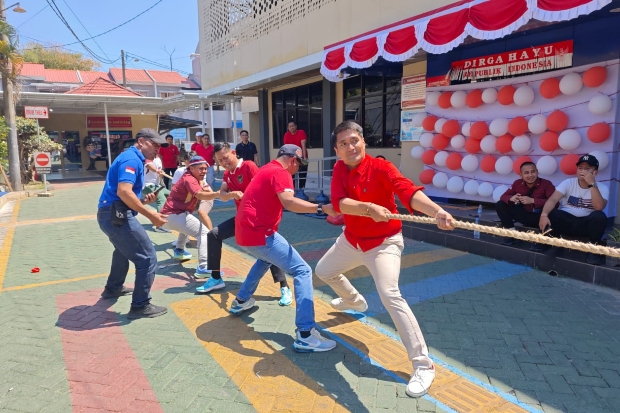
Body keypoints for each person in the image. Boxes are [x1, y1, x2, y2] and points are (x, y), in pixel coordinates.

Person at [314, 121, 456, 398]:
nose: (350, 147)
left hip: (384, 244)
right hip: (352, 239)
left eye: (354, 140)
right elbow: (340, 203)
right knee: (323, 270)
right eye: (343, 144)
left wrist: (436, 212)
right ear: (337, 150)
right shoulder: (340, 169)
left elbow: (407, 192)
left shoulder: (381, 167)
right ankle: (355, 301)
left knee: (390, 295)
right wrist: (367, 208)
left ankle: (423, 365)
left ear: (364, 142)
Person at [230, 144, 338, 352]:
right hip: (259, 232)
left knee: (265, 259)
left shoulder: (266, 169)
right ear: (293, 160)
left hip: (247, 232)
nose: (299, 169)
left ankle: (241, 300)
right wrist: (321, 208)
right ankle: (305, 333)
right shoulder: (281, 172)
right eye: (300, 164)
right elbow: (289, 202)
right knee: (303, 270)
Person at [196, 142, 292, 306]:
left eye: (226, 158)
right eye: (220, 161)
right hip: (243, 219)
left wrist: (246, 195)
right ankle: (216, 277)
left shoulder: (248, 166)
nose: (224, 162)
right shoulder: (228, 174)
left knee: (269, 251)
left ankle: (284, 287)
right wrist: (231, 193)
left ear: (233, 153)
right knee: (214, 235)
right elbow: (223, 194)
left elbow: (262, 188)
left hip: (260, 219)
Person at [97, 128, 169, 319]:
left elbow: (125, 195)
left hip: (111, 214)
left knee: (121, 251)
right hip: (116, 215)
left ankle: (113, 288)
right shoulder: (131, 159)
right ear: (142, 141)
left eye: (160, 146)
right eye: (155, 144)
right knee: (147, 258)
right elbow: (123, 191)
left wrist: (143, 202)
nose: (157, 150)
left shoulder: (133, 158)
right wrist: (151, 214)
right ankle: (140, 305)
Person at [539, 154, 609, 265]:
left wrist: (591, 184)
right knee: (554, 213)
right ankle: (555, 244)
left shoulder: (602, 188)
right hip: (568, 221)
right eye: (580, 168)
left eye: (587, 169)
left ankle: (593, 249)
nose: (583, 171)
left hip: (586, 225)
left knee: (599, 216)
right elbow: (553, 199)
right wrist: (544, 215)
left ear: (595, 172)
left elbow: (599, 207)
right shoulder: (568, 183)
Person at [161, 156, 220, 277]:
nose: (204, 171)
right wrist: (220, 194)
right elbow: (200, 195)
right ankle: (203, 266)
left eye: (205, 169)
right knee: (204, 233)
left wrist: (216, 193)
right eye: (201, 169)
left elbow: (206, 191)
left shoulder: (196, 178)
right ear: (191, 168)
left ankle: (179, 250)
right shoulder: (189, 179)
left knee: (188, 223)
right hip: (173, 215)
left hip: (171, 215)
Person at [495, 162, 555, 246]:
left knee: (553, 213)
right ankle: (510, 233)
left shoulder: (546, 184)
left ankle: (542, 240)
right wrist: (511, 198)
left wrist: (533, 201)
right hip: (524, 215)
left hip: (540, 217)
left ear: (537, 172)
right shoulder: (517, 183)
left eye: (533, 172)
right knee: (500, 204)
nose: (530, 175)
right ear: (521, 175)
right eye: (526, 173)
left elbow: (555, 203)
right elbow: (503, 196)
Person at [169, 151, 214, 252]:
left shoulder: (200, 169)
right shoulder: (180, 171)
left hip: (205, 195)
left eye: (194, 161)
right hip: (191, 197)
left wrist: (216, 194)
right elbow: (174, 189)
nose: (191, 164)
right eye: (190, 162)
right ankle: (180, 247)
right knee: (185, 217)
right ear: (185, 162)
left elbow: (201, 187)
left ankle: (212, 238)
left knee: (202, 213)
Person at [142, 153, 170, 233]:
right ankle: (159, 225)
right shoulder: (148, 157)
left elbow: (159, 172)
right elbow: (148, 165)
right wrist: (157, 171)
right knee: (161, 200)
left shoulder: (158, 158)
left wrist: (161, 173)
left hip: (157, 185)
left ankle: (171, 219)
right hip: (148, 185)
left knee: (172, 196)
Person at [283, 121, 308, 191]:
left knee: (302, 174)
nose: (291, 127)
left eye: (293, 126)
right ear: (288, 128)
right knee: (291, 175)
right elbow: (286, 148)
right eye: (290, 126)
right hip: (292, 158)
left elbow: (303, 145)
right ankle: (292, 190)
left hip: (301, 157)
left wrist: (304, 157)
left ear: (296, 126)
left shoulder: (301, 132)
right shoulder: (287, 135)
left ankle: (301, 190)